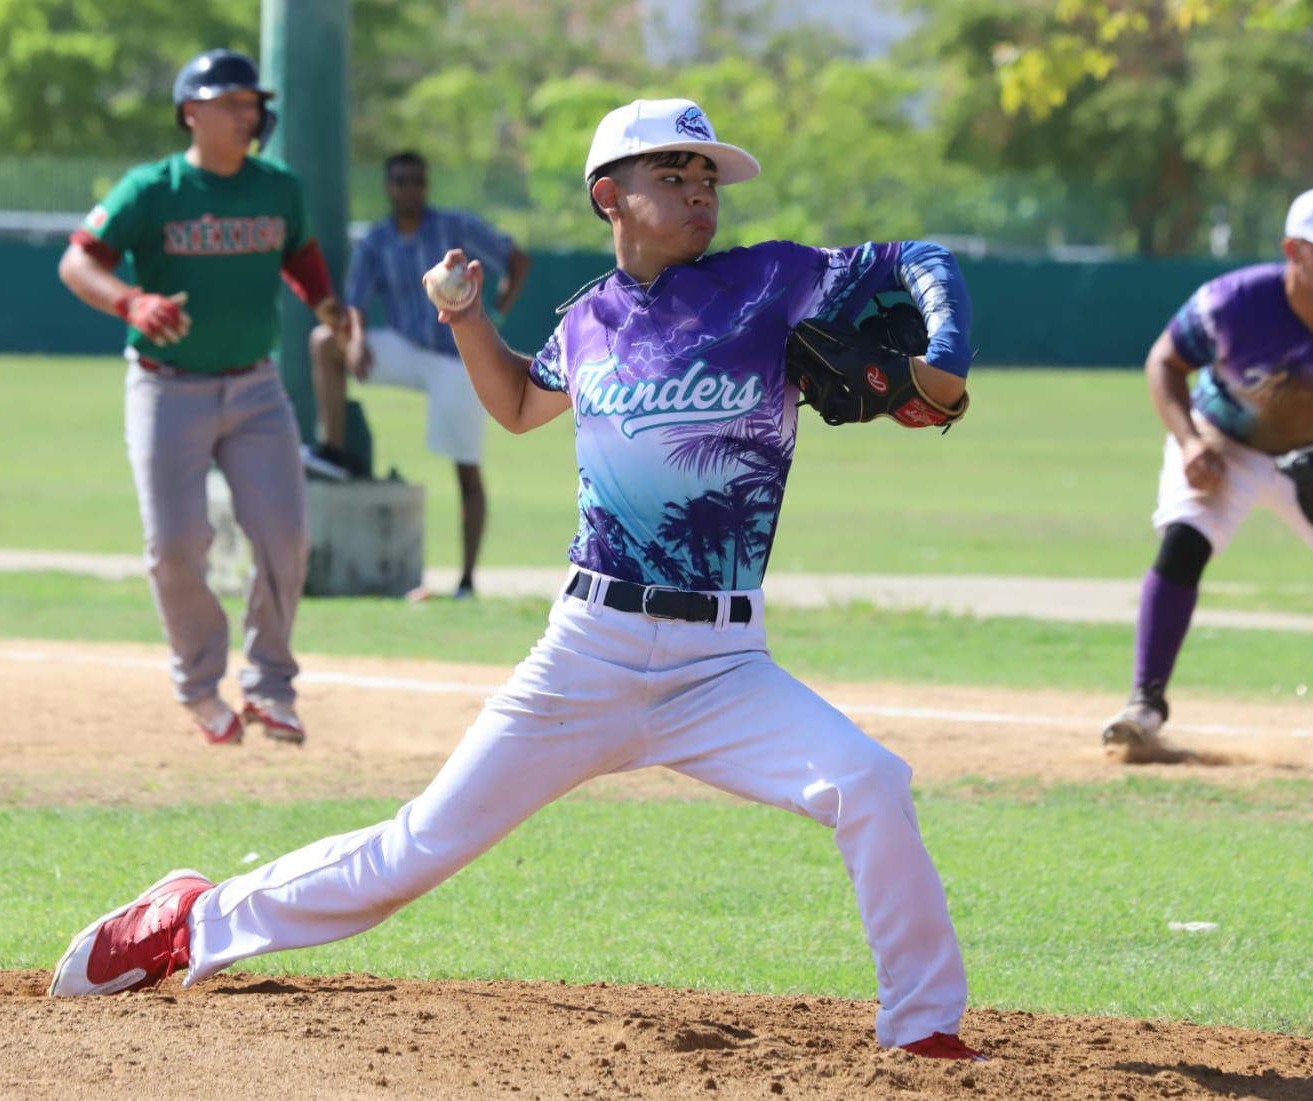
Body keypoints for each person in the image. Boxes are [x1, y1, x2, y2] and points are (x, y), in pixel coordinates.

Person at [48, 97, 984, 1062]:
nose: (701, 189)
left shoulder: (772, 280)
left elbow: (923, 259)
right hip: (589, 652)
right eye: (674, 173)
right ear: (608, 195)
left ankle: (922, 1027)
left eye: (708, 175)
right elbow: (515, 404)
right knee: (411, 852)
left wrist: (944, 356)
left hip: (723, 663)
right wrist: (464, 316)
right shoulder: (590, 320)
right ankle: (190, 921)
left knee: (870, 780)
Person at [58, 48, 349, 746]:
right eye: (233, 103)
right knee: (176, 545)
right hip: (167, 387)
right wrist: (133, 301)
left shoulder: (276, 186)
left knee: (285, 537)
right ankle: (198, 686)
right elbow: (78, 260)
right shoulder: (151, 188)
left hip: (255, 387)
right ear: (192, 111)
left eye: (253, 104)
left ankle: (271, 689)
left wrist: (330, 307)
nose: (250, 114)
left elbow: (300, 255)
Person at [1102, 185, 1313, 773]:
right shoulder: (1232, 302)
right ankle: (1145, 706)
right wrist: (1188, 441)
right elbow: (1165, 361)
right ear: (1293, 249)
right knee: (1185, 538)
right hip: (1220, 443)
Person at [304, 150, 531, 600]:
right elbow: (357, 301)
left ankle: (466, 580)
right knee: (324, 342)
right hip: (408, 348)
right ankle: (335, 452)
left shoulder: (455, 227)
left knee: (466, 468)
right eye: (400, 181)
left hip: (457, 356)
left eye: (416, 181)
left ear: (425, 186)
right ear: (388, 187)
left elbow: (516, 259)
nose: (409, 188)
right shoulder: (376, 239)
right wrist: (355, 338)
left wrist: (499, 314)